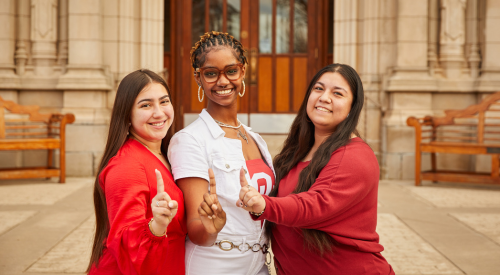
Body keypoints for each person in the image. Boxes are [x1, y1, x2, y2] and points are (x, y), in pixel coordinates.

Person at [236, 64, 395, 274]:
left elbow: (317, 204)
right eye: (318, 89)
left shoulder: (355, 155)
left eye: (337, 93)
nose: (324, 97)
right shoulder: (297, 151)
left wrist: (264, 204)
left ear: (352, 108)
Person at [167, 31, 274, 275]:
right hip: (213, 264)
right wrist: (211, 227)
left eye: (231, 71)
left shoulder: (255, 138)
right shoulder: (189, 140)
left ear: (243, 71)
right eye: (211, 73)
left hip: (259, 265)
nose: (223, 81)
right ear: (198, 77)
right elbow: (196, 226)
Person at [87, 69, 187, 274]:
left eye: (164, 101)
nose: (159, 112)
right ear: (127, 114)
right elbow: (126, 241)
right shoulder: (126, 166)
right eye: (146, 105)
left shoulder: (166, 154)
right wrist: (156, 225)